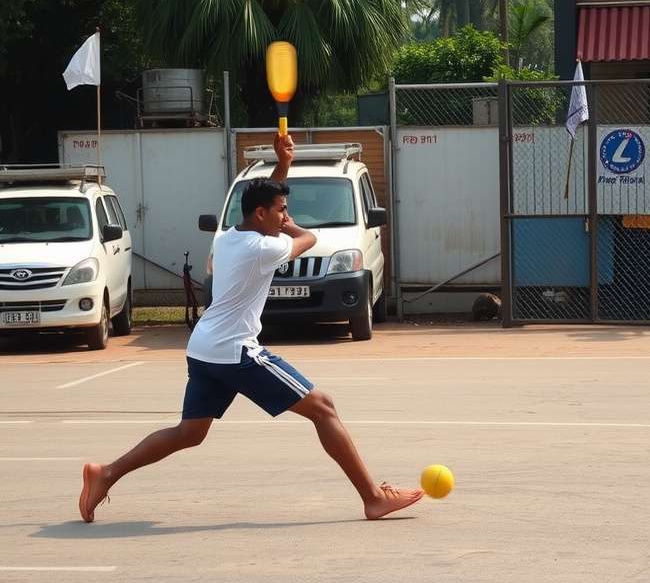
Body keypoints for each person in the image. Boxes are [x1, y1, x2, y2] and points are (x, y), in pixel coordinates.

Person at [79, 134, 423, 522]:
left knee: (189, 433)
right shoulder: (262, 248)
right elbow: (308, 240)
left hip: (205, 349)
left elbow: (266, 205)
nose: (284, 215)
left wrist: (283, 164)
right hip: (236, 352)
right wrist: (295, 226)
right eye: (281, 210)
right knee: (324, 408)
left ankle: (105, 473)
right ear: (261, 214)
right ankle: (374, 497)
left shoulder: (230, 236)